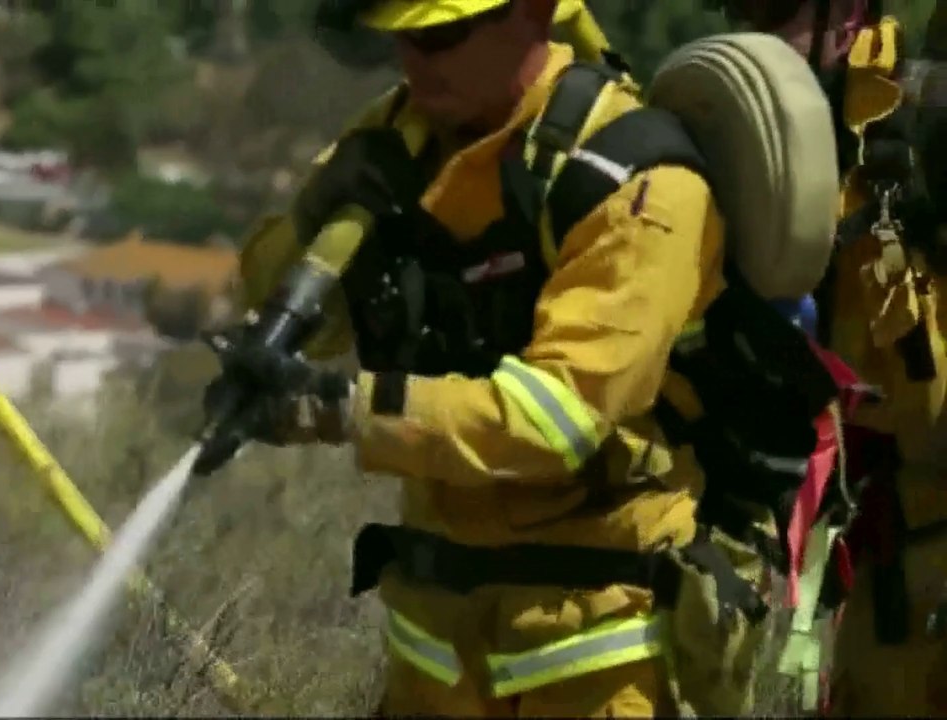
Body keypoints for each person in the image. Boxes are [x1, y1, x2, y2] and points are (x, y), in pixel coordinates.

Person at [199, 0, 853, 715]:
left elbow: (556, 421)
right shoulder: (400, 137)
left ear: (535, 14)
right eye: (400, 36)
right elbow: (286, 309)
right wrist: (317, 213)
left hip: (599, 652)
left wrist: (338, 409)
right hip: (437, 649)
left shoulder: (637, 185)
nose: (414, 60)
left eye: (441, 34)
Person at [705, 0, 947, 716]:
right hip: (866, 537)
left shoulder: (913, 111)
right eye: (737, 7)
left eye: (773, 8)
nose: (750, 30)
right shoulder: (739, 122)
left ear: (845, 15)